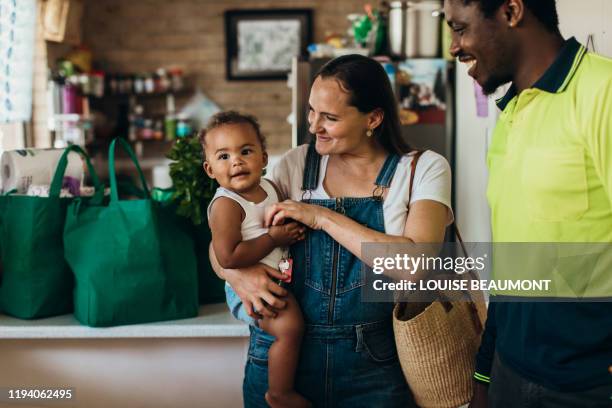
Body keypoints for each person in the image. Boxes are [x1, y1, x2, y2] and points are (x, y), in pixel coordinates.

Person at [210, 54, 453, 407]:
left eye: (330, 118)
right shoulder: (296, 163)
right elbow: (223, 244)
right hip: (281, 362)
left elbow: (414, 266)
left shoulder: (421, 169)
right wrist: (238, 276)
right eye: (312, 111)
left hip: (373, 367)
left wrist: (321, 217)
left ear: (373, 118)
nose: (313, 126)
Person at [443, 0, 612, 406]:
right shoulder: (512, 112)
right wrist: (485, 373)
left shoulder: (602, 92)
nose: (454, 46)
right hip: (510, 374)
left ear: (512, 11)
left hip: (587, 387)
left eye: (461, 28)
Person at [202, 111, 310, 408]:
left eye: (245, 151)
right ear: (210, 169)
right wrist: (275, 238)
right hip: (248, 291)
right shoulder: (226, 204)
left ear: (264, 158)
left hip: (276, 278)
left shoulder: (271, 188)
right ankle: (279, 392)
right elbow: (228, 256)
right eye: (223, 156)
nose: (236, 161)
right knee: (290, 329)